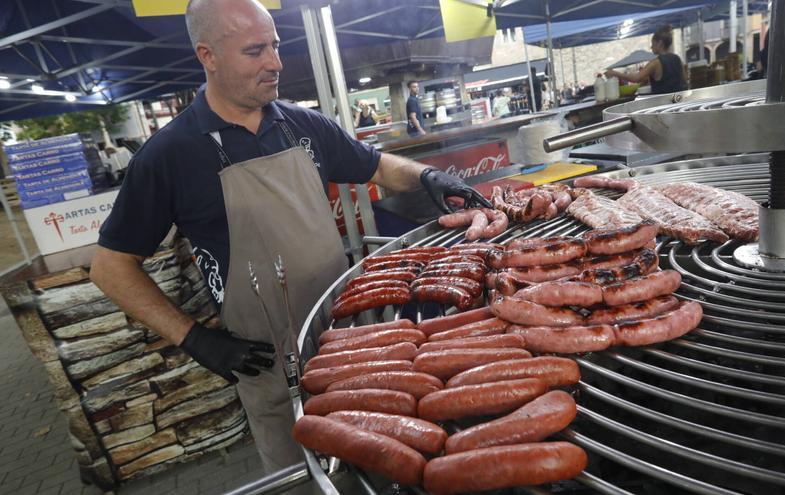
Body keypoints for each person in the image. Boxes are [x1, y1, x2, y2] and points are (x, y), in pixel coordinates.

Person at [89, 0, 490, 476]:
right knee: (303, 473)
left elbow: (376, 165)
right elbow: (110, 266)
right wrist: (194, 338)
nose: (275, 63)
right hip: (268, 362)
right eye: (255, 51)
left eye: (275, 46)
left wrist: (427, 177)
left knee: (383, 462)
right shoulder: (168, 155)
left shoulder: (301, 123)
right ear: (208, 56)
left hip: (352, 339)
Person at [605, 25, 686, 95]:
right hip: (678, 101)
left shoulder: (655, 62)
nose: (651, 47)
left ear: (660, 43)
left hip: (663, 104)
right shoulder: (677, 58)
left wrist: (614, 73)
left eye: (653, 44)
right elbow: (682, 80)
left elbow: (636, 78)